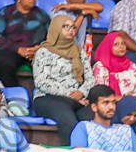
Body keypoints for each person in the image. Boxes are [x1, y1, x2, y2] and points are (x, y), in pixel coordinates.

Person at [30, 14, 92, 145]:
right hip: (48, 98)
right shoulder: (43, 52)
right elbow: (41, 82)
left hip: (77, 98)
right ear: (56, 28)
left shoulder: (79, 51)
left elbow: (90, 78)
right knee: (67, 119)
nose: (71, 30)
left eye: (73, 27)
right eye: (66, 27)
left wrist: (82, 92)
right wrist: (70, 95)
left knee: (90, 118)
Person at [0, 0, 49, 83]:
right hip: (11, 50)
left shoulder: (42, 14)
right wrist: (18, 49)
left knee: (50, 61)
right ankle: (12, 93)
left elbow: (51, 36)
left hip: (36, 51)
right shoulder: (5, 12)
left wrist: (39, 48)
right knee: (2, 62)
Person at [91, 32, 136, 123]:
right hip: (110, 108)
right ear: (108, 47)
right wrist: (120, 99)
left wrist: (133, 99)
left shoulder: (131, 66)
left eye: (123, 43)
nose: (121, 47)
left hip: (131, 107)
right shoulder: (101, 66)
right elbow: (100, 93)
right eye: (116, 44)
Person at [68, 85, 136, 152]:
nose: (111, 107)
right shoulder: (83, 127)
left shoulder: (126, 130)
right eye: (106, 103)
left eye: (113, 102)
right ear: (94, 107)